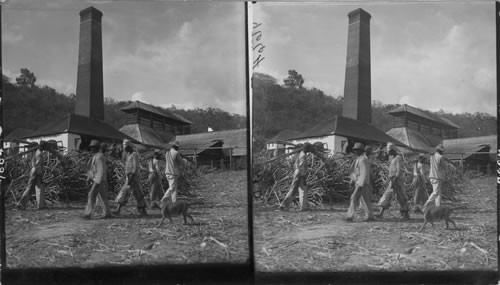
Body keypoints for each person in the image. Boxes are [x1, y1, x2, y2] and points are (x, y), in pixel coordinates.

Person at [16, 140, 62, 210]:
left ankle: (41, 205)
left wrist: (46, 169)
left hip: (35, 171)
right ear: (43, 147)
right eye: (45, 146)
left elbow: (39, 165)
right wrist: (39, 174)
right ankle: (21, 204)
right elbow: (37, 165)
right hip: (36, 172)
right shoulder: (39, 153)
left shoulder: (37, 152)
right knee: (30, 189)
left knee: (40, 188)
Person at [375, 142, 410, 220]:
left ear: (393, 150)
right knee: (387, 195)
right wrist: (390, 179)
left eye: (389, 151)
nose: (388, 152)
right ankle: (381, 213)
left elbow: (398, 170)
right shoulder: (392, 158)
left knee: (401, 196)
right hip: (392, 180)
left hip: (397, 180)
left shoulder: (398, 158)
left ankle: (405, 214)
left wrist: (395, 180)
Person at [113, 140, 148, 216]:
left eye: (125, 147)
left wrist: (131, 177)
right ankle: (118, 210)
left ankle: (143, 210)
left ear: (129, 147)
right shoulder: (128, 155)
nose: (124, 149)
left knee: (137, 193)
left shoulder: (134, 154)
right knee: (125, 192)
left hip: (133, 177)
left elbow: (135, 167)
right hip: (129, 177)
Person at [279, 142, 314, 211]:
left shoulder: (300, 154)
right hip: (299, 174)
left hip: (298, 173)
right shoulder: (303, 155)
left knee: (303, 190)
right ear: (306, 148)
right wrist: (303, 177)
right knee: (293, 190)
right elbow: (301, 167)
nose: (310, 150)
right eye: (309, 148)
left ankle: (303, 207)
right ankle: (283, 205)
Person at [345, 143, 376, 222]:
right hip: (360, 183)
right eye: (355, 150)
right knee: (365, 200)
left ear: (361, 151)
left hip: (362, 184)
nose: (355, 152)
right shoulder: (359, 159)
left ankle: (349, 215)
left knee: (354, 198)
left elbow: (364, 173)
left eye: (357, 150)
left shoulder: (362, 160)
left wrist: (360, 185)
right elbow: (356, 172)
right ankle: (370, 216)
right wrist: (353, 180)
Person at [83, 140, 113, 219]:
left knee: (91, 195)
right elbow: (93, 170)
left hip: (99, 180)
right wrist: (89, 177)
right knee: (102, 197)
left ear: (97, 148)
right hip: (98, 180)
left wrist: (97, 182)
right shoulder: (96, 156)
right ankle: (108, 213)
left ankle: (87, 213)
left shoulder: (99, 156)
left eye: (93, 147)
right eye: (91, 147)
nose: (92, 149)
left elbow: (100, 170)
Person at [423, 144, 448, 210]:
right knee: (436, 193)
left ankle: (438, 207)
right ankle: (426, 205)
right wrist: (445, 174)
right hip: (437, 177)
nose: (443, 152)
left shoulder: (432, 157)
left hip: (431, 176)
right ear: (439, 151)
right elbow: (444, 167)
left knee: (438, 193)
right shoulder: (440, 157)